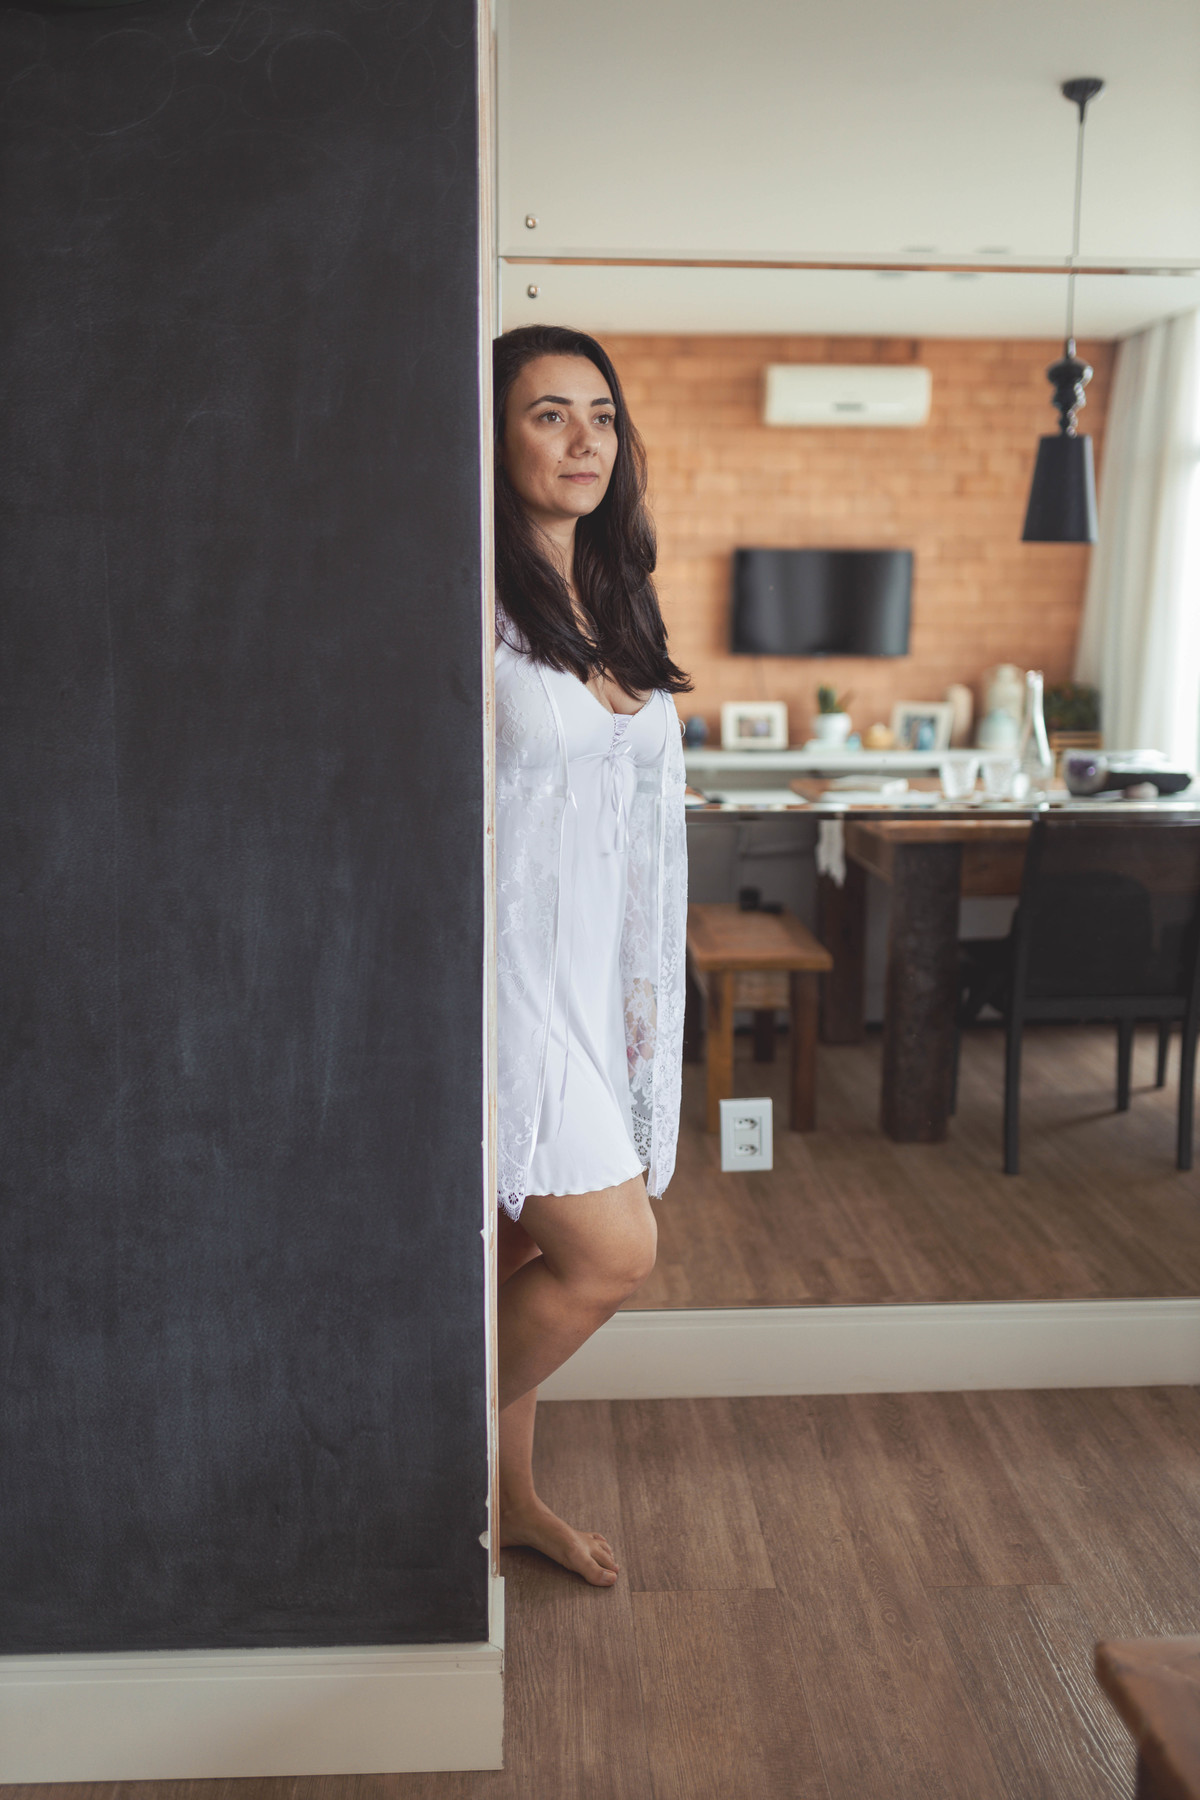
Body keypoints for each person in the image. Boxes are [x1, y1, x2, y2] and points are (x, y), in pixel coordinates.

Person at [492, 325, 690, 1585]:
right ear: (497, 436)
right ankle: (419, 1442)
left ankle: (509, 1498)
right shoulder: (466, 594)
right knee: (612, 1252)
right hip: (497, 981)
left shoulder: (612, 592)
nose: (583, 441)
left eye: (601, 417)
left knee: (513, 1257)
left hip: (586, 977)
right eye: (548, 415)